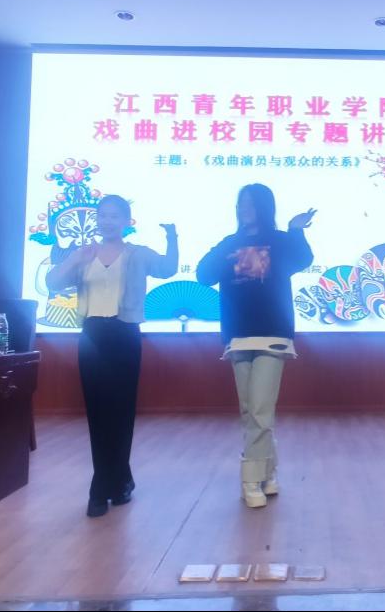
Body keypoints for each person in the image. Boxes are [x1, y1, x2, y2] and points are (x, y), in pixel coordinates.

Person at [45, 194, 178, 518]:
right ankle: (105, 485)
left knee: (122, 411)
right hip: (92, 336)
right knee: (98, 412)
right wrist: (74, 260)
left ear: (126, 221)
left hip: (125, 334)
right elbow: (52, 283)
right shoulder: (85, 253)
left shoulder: (137, 253)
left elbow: (167, 268)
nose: (107, 221)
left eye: (114, 216)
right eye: (102, 215)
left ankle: (115, 482)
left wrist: (172, 237)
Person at [197, 183, 315, 509]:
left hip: (272, 332)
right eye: (241, 203)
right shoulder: (229, 243)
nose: (244, 209)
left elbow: (303, 259)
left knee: (260, 408)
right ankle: (269, 471)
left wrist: (295, 230)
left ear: (264, 206)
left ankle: (250, 480)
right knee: (251, 410)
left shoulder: (279, 240)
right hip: (238, 334)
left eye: (250, 203)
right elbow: (203, 275)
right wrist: (228, 255)